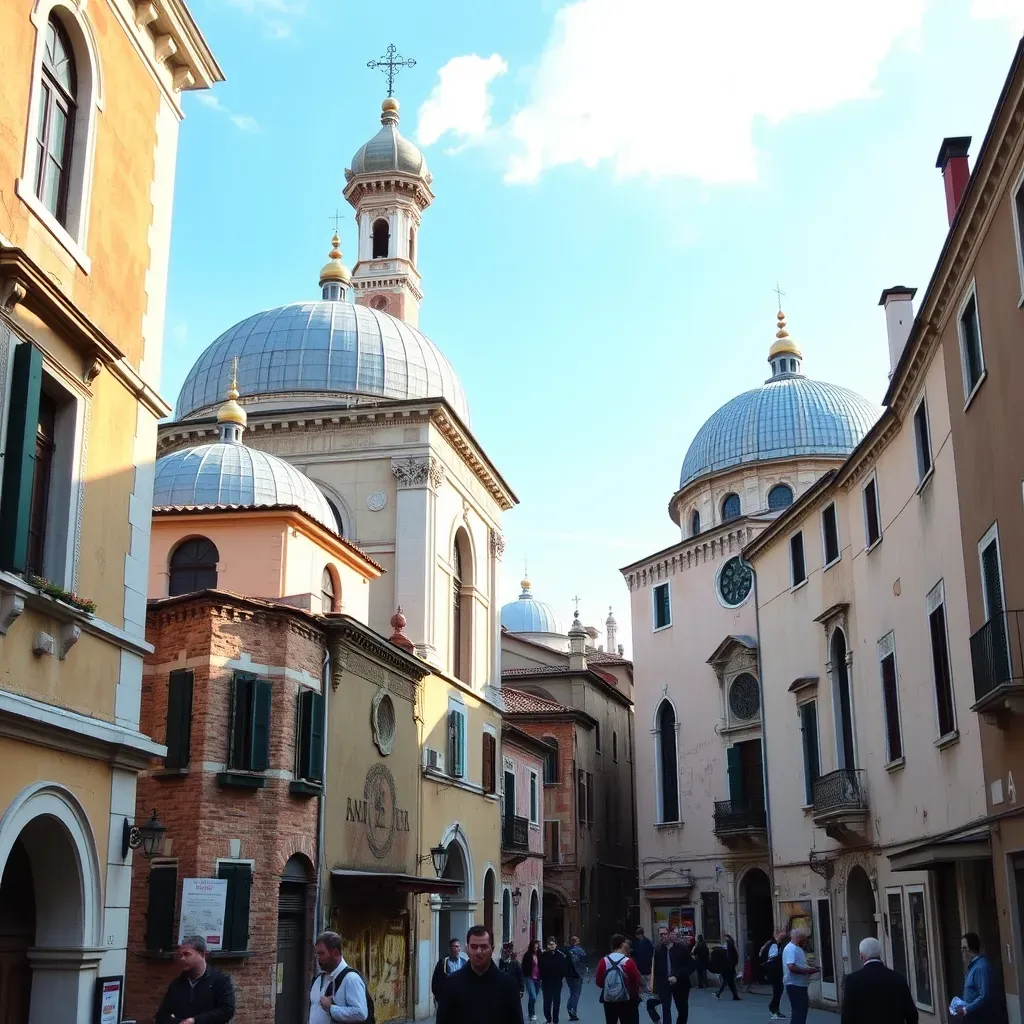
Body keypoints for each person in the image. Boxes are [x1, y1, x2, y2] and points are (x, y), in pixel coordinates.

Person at [436, 925, 525, 1024]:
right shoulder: (452, 983)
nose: (478, 952)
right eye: (474, 947)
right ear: (467, 949)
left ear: (492, 949)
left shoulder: (508, 984)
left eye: (483, 947)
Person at [155, 935, 235, 1024]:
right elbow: (161, 1016)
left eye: (187, 954)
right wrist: (180, 1022)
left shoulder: (220, 981)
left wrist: (195, 1020)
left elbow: (227, 1011)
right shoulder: (177, 984)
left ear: (203, 954)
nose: (182, 959)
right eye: (181, 955)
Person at [840, 936, 917, 1024]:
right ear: (880, 954)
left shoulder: (852, 980)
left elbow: (847, 1015)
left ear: (861, 956)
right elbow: (911, 1013)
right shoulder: (897, 978)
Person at [308, 930, 371, 1023]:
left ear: (336, 953)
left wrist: (331, 1008)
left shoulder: (351, 979)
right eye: (317, 954)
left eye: (321, 953)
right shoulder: (318, 979)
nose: (318, 958)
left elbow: (361, 1013)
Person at [595, 933, 642, 1024]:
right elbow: (635, 980)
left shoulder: (604, 961)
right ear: (622, 944)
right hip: (628, 999)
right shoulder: (628, 961)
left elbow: (599, 982)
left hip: (609, 999)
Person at [953, 932, 996, 1021]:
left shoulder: (981, 967)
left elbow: (984, 996)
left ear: (972, 949)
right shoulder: (972, 967)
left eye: (964, 948)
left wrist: (965, 1010)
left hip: (980, 1018)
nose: (962, 952)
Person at [652, 926, 690, 1024]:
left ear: (669, 934)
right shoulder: (658, 950)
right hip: (664, 984)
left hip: (681, 983)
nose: (662, 936)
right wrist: (655, 987)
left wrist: (677, 976)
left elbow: (690, 966)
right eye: (660, 935)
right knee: (665, 1008)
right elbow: (656, 969)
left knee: (682, 1010)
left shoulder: (681, 948)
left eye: (664, 934)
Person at [783, 927, 819, 1024]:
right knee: (799, 1012)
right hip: (795, 984)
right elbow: (791, 966)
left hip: (799, 984)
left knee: (800, 1011)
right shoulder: (791, 949)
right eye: (804, 937)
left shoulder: (796, 948)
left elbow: (798, 964)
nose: (805, 940)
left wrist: (809, 968)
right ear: (799, 937)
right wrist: (807, 970)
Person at [539, 935, 568, 1024]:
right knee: (547, 1002)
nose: (551, 946)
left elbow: (564, 969)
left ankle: (555, 1020)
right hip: (546, 982)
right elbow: (540, 967)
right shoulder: (543, 956)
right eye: (550, 944)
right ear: (547, 945)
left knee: (556, 1002)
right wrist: (542, 978)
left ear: (556, 945)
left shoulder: (560, 956)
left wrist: (560, 977)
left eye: (553, 944)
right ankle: (548, 1019)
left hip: (556, 982)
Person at [761, 927, 788, 1020]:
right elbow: (772, 959)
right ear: (777, 934)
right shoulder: (773, 945)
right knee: (778, 990)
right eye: (782, 932)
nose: (784, 934)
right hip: (774, 972)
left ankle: (775, 1009)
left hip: (775, 972)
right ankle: (774, 1010)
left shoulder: (776, 944)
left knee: (779, 990)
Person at [432, 938, 469, 1004]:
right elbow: (435, 981)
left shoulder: (464, 963)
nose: (455, 948)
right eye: (453, 946)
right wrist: (439, 997)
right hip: (446, 998)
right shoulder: (442, 963)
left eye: (457, 946)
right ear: (450, 948)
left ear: (460, 948)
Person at [632, 927, 657, 1017]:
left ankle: (642, 996)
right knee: (647, 982)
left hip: (640, 967)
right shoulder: (649, 943)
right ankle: (648, 993)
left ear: (638, 935)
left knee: (642, 983)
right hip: (648, 967)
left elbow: (633, 953)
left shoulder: (636, 943)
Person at [564, 935, 588, 1021]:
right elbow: (584, 961)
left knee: (572, 992)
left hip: (568, 975)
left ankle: (570, 1008)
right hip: (577, 975)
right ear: (577, 941)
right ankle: (572, 1010)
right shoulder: (580, 951)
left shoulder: (567, 950)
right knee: (576, 993)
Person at [522, 939, 543, 1021]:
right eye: (535, 947)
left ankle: (531, 1014)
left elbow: (543, 965)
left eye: (537, 947)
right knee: (533, 997)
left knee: (532, 997)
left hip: (538, 979)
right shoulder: (527, 955)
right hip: (529, 978)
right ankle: (532, 1013)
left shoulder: (540, 954)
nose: (536, 948)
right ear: (532, 947)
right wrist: (525, 975)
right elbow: (523, 966)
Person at [716, 934, 740, 1001]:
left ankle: (719, 993)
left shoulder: (728, 947)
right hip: (729, 967)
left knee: (728, 982)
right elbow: (736, 956)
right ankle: (735, 996)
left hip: (728, 967)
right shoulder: (731, 946)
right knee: (729, 982)